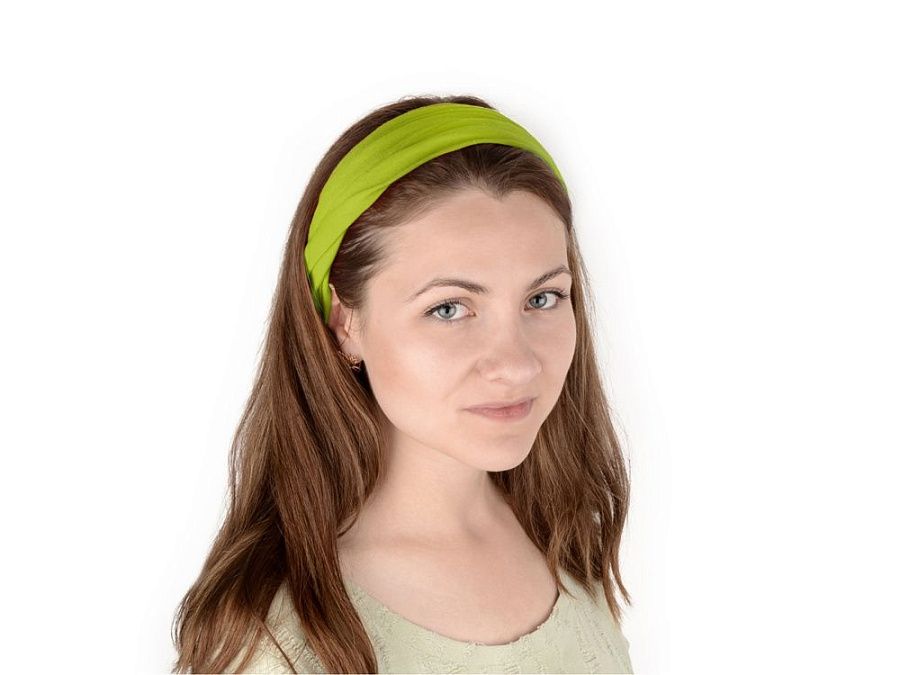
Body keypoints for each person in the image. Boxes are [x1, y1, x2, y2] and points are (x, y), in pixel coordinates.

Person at [171, 94, 634, 674]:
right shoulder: (283, 643)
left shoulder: (566, 537)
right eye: (449, 309)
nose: (516, 365)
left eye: (542, 298)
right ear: (346, 324)